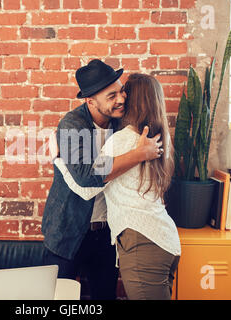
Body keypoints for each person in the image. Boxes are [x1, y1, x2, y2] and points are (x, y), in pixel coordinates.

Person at [41, 60, 164, 300]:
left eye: (121, 91)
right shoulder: (71, 124)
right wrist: (138, 154)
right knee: (56, 298)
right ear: (90, 101)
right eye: (111, 96)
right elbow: (86, 176)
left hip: (106, 233)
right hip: (67, 231)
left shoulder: (122, 124)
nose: (121, 99)